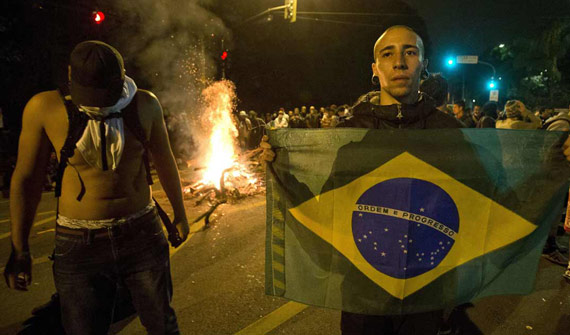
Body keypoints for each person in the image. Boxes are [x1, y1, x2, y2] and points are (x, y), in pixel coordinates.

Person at [4, 41, 189, 334]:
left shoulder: (145, 104)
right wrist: (20, 249)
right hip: (78, 244)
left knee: (162, 325)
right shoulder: (43, 108)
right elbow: (27, 180)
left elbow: (165, 162)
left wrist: (180, 213)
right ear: (69, 74)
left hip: (141, 233)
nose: (101, 103)